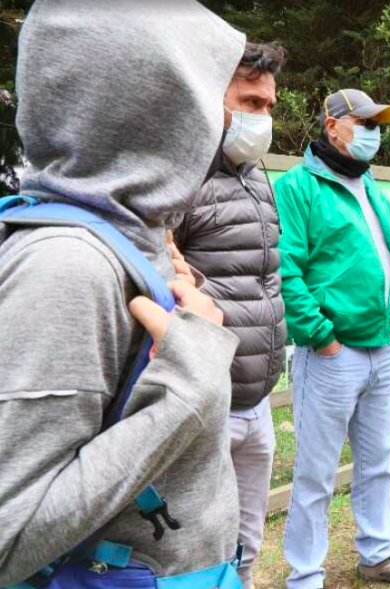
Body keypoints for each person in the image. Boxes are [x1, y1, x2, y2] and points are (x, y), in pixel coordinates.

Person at [0, 0, 246, 587]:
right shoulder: (68, 265)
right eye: (212, 96)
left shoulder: (134, 238)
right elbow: (10, 533)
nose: (226, 121)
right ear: (157, 104)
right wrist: (189, 386)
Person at [274, 89, 390, 588]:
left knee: (378, 460)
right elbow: (286, 269)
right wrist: (320, 337)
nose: (372, 132)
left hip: (380, 348)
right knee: (316, 473)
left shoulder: (372, 184)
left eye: (378, 124)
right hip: (332, 353)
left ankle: (378, 553)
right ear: (332, 126)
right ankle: (304, 574)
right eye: (363, 122)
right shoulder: (298, 186)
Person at [172, 41, 288, 589]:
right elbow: (157, 278)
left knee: (246, 545)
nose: (262, 116)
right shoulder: (179, 178)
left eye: (268, 105)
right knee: (198, 548)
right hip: (205, 404)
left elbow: (266, 275)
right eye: (250, 101)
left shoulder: (256, 176)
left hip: (257, 402)